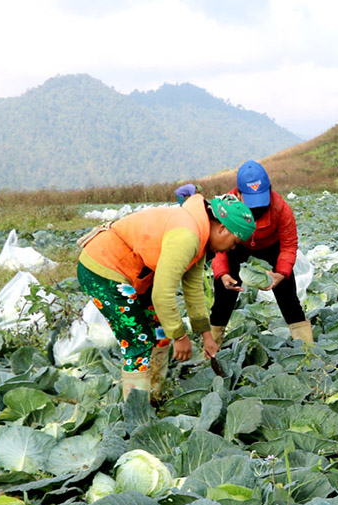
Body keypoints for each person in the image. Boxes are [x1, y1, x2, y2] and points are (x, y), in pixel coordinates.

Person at [77, 193, 255, 399]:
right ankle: (136, 413)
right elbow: (163, 293)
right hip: (103, 269)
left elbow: (194, 290)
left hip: (133, 275)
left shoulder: (200, 235)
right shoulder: (187, 236)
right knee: (138, 342)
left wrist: (206, 336)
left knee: (160, 336)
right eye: (234, 242)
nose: (232, 248)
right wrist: (180, 336)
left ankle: (153, 397)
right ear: (223, 229)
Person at [210, 160, 312, 344]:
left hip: (271, 247)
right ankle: (211, 347)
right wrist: (222, 273)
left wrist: (282, 272)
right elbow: (219, 246)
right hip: (237, 246)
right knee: (224, 295)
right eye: (250, 199)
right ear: (239, 194)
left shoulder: (281, 208)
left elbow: (289, 245)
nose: (256, 206)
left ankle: (306, 347)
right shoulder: (227, 207)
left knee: (288, 296)